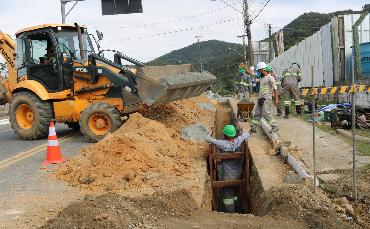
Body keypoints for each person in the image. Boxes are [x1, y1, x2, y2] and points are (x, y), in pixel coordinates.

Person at [205, 125, 251, 213]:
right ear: (234, 135)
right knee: (236, 193)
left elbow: (207, 139)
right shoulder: (239, 140)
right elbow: (246, 135)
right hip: (238, 176)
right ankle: (238, 209)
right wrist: (244, 131)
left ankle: (230, 213)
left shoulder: (222, 144)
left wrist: (210, 133)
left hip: (228, 178)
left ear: (225, 135)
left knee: (228, 196)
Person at [240, 62, 279, 133]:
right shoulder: (261, 77)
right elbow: (250, 73)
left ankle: (274, 126)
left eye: (258, 71)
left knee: (266, 113)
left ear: (262, 70)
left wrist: (276, 99)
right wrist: (244, 67)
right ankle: (253, 127)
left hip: (267, 99)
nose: (257, 72)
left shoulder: (270, 78)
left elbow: (275, 89)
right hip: (261, 98)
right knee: (257, 113)